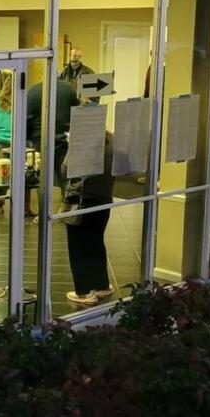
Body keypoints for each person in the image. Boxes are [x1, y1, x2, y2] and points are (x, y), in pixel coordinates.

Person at [61, 129, 115, 305]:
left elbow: (66, 170)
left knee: (78, 247)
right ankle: (102, 286)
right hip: (104, 199)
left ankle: (84, 292)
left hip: (83, 201)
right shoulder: (111, 142)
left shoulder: (81, 142)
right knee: (96, 243)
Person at [26, 79, 79, 188]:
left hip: (40, 144)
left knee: (42, 184)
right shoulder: (69, 89)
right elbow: (77, 115)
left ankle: (44, 205)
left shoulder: (33, 92)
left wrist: (28, 141)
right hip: (64, 143)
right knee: (66, 181)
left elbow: (26, 120)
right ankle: (67, 203)